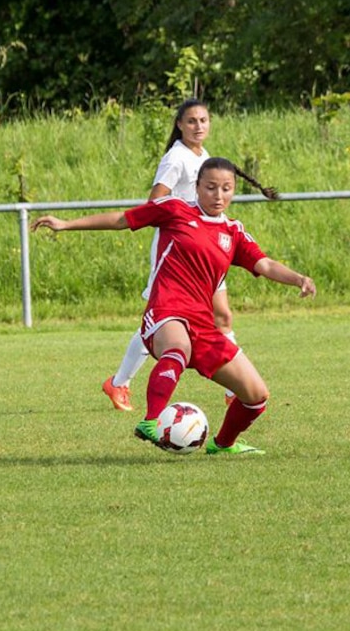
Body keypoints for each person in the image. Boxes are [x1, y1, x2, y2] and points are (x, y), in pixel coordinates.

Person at [34, 157, 315, 455]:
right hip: (166, 310)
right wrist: (66, 224)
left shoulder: (233, 232)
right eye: (210, 187)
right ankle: (151, 421)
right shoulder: (175, 209)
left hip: (203, 325)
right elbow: (121, 219)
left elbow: (266, 264)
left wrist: (299, 279)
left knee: (256, 395)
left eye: (226, 189)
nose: (218, 195)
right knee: (178, 348)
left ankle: (222, 445)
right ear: (196, 187)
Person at [101, 99, 275, 412]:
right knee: (165, 318)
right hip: (181, 246)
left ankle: (233, 386)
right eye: (192, 121)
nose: (198, 126)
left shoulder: (204, 156)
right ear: (179, 124)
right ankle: (120, 382)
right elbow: (155, 200)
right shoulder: (176, 158)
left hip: (207, 245)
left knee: (221, 315)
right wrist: (183, 217)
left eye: (204, 120)